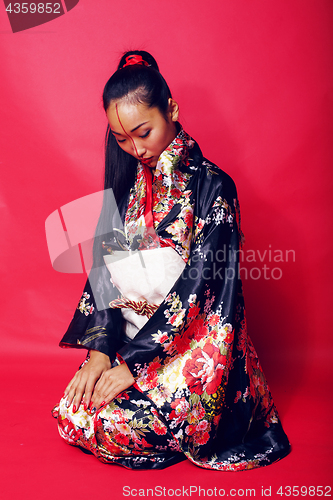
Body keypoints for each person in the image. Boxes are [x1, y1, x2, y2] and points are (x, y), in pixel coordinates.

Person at [52, 50, 291, 470]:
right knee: (72, 414)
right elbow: (105, 278)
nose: (135, 148)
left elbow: (206, 289)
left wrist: (136, 364)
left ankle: (191, 422)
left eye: (143, 132)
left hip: (194, 353)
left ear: (172, 110)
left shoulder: (213, 187)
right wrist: (101, 353)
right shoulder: (127, 188)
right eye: (121, 139)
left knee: (107, 424)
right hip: (133, 344)